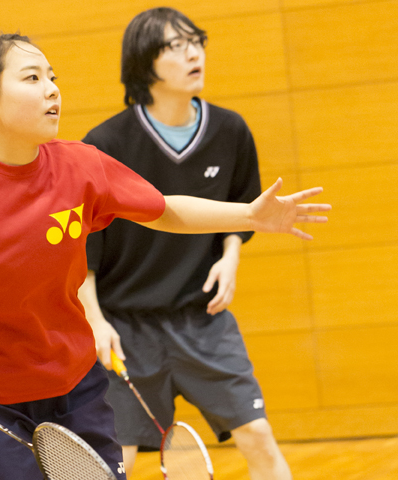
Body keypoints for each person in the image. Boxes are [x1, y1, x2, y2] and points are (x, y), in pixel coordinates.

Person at [0, 33, 328, 480]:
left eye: (53, 76)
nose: (52, 88)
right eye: (33, 77)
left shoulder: (80, 167)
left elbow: (163, 210)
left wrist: (251, 216)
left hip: (76, 386)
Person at [78, 8, 294, 480]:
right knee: (121, 461)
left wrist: (231, 254)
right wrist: (95, 321)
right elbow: (82, 249)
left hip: (203, 321)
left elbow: (242, 207)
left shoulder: (229, 130)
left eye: (196, 41)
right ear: (143, 62)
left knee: (257, 435)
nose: (193, 52)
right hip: (126, 327)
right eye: (175, 46)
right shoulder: (105, 144)